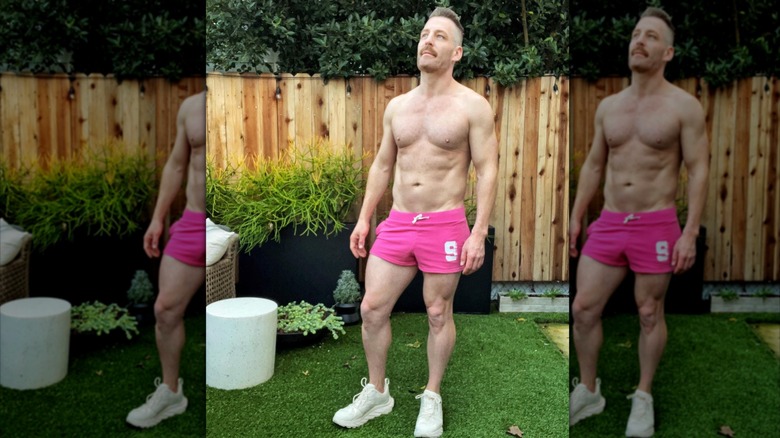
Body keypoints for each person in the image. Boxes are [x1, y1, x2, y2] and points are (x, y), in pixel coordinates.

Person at [331, 7, 498, 438]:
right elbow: (383, 166)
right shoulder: (398, 107)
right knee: (371, 308)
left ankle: (432, 396)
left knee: (439, 312)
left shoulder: (472, 106)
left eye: (440, 36)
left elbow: (489, 170)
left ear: (456, 51)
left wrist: (478, 232)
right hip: (399, 222)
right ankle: (378, 393)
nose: (428, 40)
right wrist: (365, 218)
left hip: (445, 224)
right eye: (425, 33)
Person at [568, 7, 709, 437]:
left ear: (668, 52)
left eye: (650, 36)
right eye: (635, 33)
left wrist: (689, 233)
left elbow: (699, 169)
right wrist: (577, 216)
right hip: (609, 222)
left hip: (656, 224)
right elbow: (594, 165)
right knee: (583, 308)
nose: (639, 41)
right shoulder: (610, 106)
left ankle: (643, 395)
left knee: (649, 312)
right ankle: (590, 389)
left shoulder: (684, 106)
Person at [126, 90, 207, 428]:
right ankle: (172, 392)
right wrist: (158, 217)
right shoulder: (191, 106)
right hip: (192, 222)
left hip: (230, 224)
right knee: (165, 310)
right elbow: (177, 164)